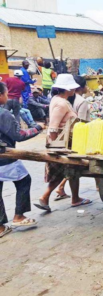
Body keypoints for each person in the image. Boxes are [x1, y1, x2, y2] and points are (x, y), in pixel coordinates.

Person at [34, 74, 92, 212]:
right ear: (67, 89)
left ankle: (73, 198)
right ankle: (47, 197)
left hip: (64, 142)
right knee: (67, 170)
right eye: (72, 88)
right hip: (61, 143)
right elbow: (53, 127)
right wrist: (55, 146)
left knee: (71, 170)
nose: (74, 90)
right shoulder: (61, 103)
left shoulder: (57, 99)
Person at [0, 81, 43, 237]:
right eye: (5, 93)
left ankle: (0, 227)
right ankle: (19, 216)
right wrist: (37, 128)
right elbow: (18, 135)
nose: (6, 96)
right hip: (5, 157)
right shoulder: (3, 114)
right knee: (24, 181)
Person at [55, 75, 91, 200]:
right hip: (75, 138)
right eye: (86, 85)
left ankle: (65, 191)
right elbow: (80, 122)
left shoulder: (62, 99)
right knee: (74, 166)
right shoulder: (80, 101)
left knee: (70, 166)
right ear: (81, 87)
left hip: (66, 138)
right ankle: (60, 189)